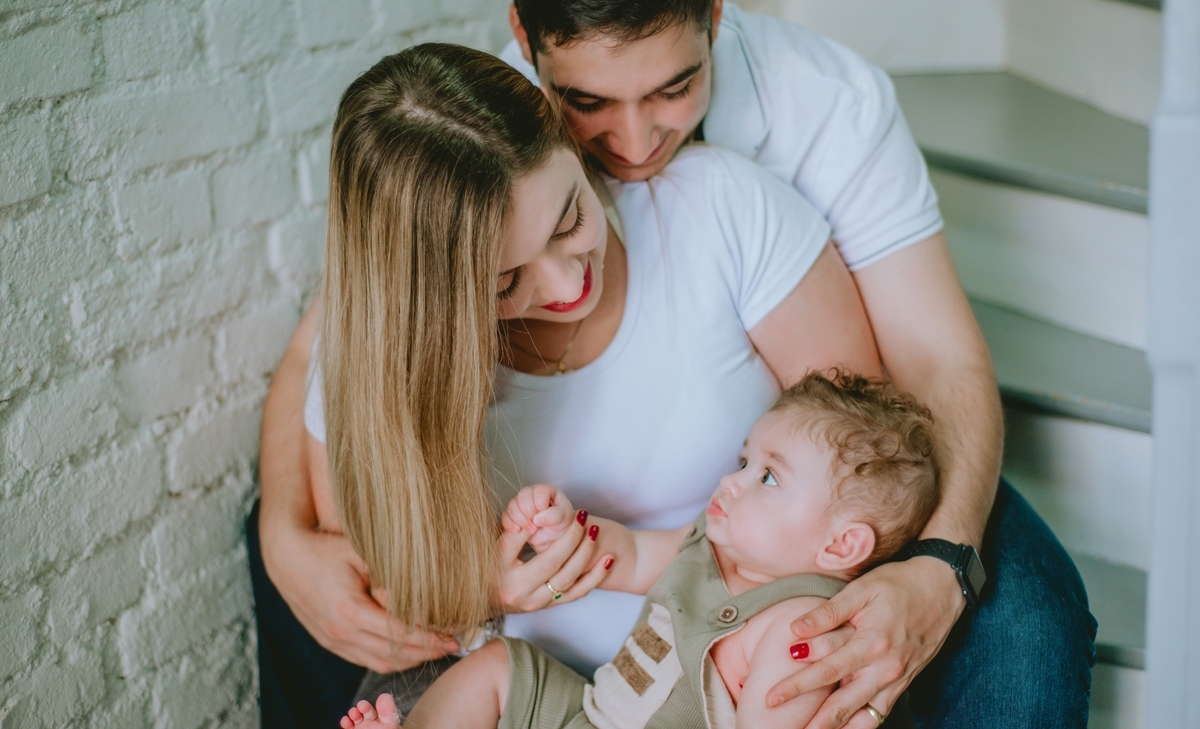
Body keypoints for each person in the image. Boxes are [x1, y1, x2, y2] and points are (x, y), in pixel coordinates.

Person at [252, 0, 1096, 726]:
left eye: (672, 89)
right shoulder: (468, 140)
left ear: (715, 15)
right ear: (532, 55)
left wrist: (937, 564)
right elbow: (339, 348)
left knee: (1024, 619)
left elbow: (914, 378)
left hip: (845, 462)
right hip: (579, 649)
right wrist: (285, 536)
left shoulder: (806, 123)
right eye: (587, 102)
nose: (630, 141)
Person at [256, 39, 882, 727]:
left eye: (570, 220)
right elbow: (378, 573)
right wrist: (484, 586)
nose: (566, 284)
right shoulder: (379, 353)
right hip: (510, 687)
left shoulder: (715, 210)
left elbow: (866, 459)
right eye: (504, 283)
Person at [340, 371, 940, 729]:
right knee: (502, 666)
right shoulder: (707, 544)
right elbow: (622, 556)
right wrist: (561, 529)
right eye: (743, 461)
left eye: (770, 478)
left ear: (842, 544)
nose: (732, 481)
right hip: (588, 715)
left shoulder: (799, 624)